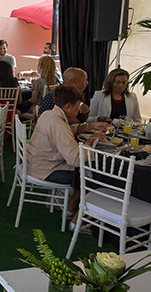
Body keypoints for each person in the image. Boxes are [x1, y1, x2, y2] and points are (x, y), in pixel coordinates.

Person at [26, 86, 106, 225]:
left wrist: (89, 126)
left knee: (84, 171)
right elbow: (75, 159)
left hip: (34, 163)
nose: (78, 110)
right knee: (91, 174)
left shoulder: (48, 114)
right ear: (68, 106)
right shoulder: (58, 124)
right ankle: (77, 217)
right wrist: (90, 141)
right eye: (77, 106)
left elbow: (67, 130)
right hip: (46, 170)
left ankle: (71, 207)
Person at [37, 67, 97, 132]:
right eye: (85, 80)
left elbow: (79, 120)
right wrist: (68, 119)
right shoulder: (55, 95)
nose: (87, 83)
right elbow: (42, 118)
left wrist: (85, 113)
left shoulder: (75, 95)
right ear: (74, 81)